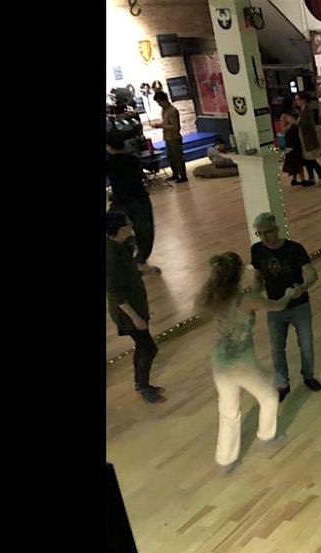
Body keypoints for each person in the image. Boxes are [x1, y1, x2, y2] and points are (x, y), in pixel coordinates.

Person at [196, 251, 303, 471]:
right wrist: (290, 293)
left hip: (220, 360)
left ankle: (225, 460)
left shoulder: (217, 297)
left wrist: (257, 285)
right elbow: (277, 305)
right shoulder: (245, 300)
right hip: (241, 361)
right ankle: (267, 435)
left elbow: (250, 299)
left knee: (228, 410)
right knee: (269, 396)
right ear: (237, 274)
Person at [249, 213, 321, 401]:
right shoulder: (257, 250)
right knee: (276, 348)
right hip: (274, 307)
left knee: (306, 344)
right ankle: (282, 384)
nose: (264, 237)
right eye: (259, 233)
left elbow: (312, 274)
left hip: (299, 306)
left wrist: (303, 287)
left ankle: (308, 375)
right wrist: (253, 296)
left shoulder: (294, 249)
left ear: (277, 229)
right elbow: (258, 278)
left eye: (267, 232)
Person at [106, 211, 164, 404]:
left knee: (143, 346)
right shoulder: (110, 257)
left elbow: (130, 270)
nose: (132, 226)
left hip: (137, 305)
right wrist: (135, 318)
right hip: (128, 313)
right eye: (128, 224)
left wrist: (148, 270)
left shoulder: (121, 246)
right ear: (119, 229)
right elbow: (115, 292)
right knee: (148, 348)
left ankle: (141, 384)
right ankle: (142, 386)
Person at [106, 139, 159, 275]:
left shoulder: (109, 162)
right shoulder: (133, 159)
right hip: (139, 199)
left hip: (121, 200)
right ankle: (140, 260)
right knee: (145, 232)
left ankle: (123, 261)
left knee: (114, 230)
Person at [149, 91, 187, 183]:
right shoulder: (164, 110)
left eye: (159, 102)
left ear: (164, 100)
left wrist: (161, 126)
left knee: (178, 157)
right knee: (170, 157)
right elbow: (166, 123)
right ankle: (175, 174)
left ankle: (183, 175)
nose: (159, 105)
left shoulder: (173, 111)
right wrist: (159, 124)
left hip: (174, 137)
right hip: (167, 137)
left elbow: (175, 126)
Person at [295, 92, 321, 186]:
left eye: (298, 99)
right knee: (307, 161)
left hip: (309, 140)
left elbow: (306, 125)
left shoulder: (307, 111)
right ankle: (311, 178)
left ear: (303, 100)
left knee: (312, 161)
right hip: (304, 140)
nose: (296, 101)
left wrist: (296, 123)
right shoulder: (302, 111)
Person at [280, 110, 309, 186]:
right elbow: (283, 130)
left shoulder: (293, 112)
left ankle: (294, 179)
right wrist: (290, 124)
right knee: (297, 159)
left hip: (294, 139)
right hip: (291, 140)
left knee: (295, 160)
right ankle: (302, 179)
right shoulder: (284, 116)